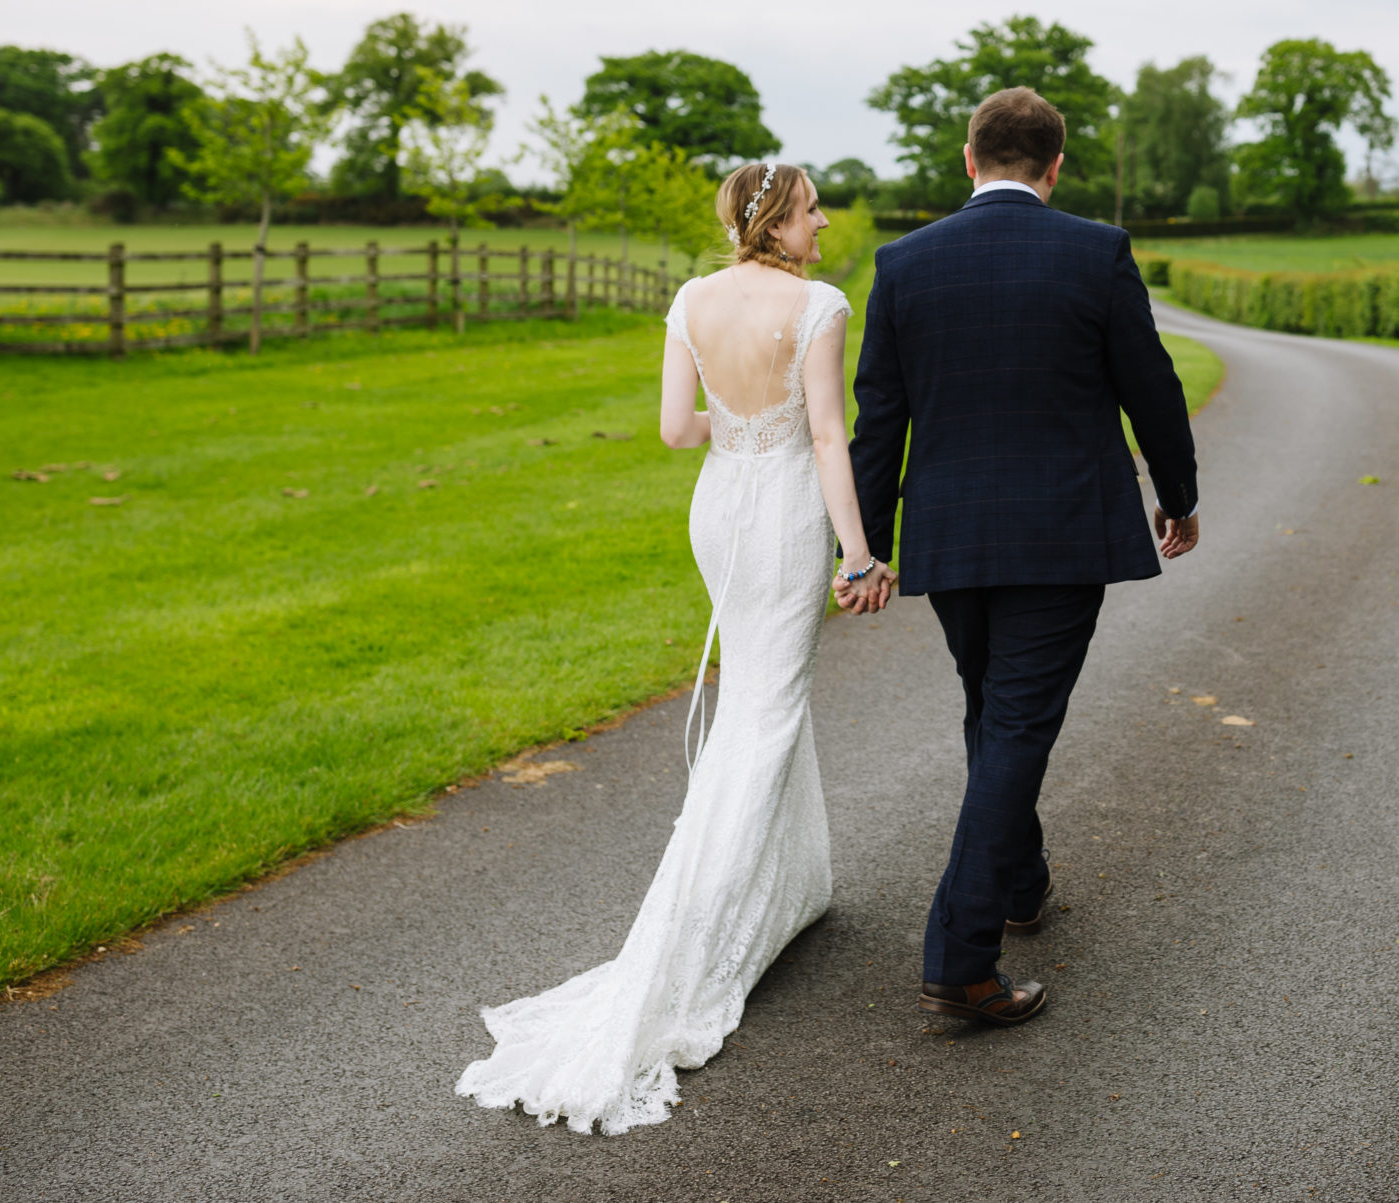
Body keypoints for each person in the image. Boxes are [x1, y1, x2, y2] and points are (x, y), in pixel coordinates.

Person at [455, 162, 891, 1134]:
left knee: (759, 703)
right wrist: (858, 553)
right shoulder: (820, 304)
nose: (824, 223)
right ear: (776, 221)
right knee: (767, 712)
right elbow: (828, 437)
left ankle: (788, 889)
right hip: (780, 514)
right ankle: (693, 942)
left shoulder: (690, 299)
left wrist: (737, 428)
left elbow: (670, 430)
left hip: (718, 507)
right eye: (814, 209)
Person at [850, 86, 1201, 1029]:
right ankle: (961, 959)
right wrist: (1179, 494)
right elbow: (1153, 390)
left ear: (969, 160)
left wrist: (866, 546)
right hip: (1062, 532)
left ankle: (1021, 881)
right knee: (1013, 726)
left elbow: (878, 421)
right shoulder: (1097, 251)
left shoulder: (904, 262)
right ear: (1055, 166)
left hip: (949, 535)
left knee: (993, 709)